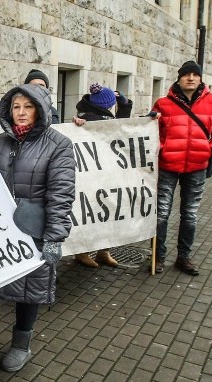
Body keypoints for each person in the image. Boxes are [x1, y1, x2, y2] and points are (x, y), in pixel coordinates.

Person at [0, 83, 76, 372]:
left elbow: (61, 194)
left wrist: (54, 237)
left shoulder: (59, 145)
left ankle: (21, 345)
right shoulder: (2, 142)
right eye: (16, 107)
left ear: (41, 110)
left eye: (28, 107)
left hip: (32, 229)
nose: (21, 113)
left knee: (28, 287)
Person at [150, 60, 212, 275]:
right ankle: (158, 257)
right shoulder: (163, 103)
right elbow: (150, 132)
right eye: (187, 74)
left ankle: (183, 257)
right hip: (167, 166)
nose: (191, 78)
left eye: (195, 74)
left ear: (200, 78)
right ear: (179, 77)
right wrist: (163, 148)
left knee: (190, 214)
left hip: (197, 167)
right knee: (161, 214)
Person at [71, 83, 133, 268]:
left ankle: (102, 251)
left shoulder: (103, 115)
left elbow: (122, 125)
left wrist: (123, 100)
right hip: (93, 178)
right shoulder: (89, 117)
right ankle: (82, 252)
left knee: (106, 214)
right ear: (106, 105)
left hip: (107, 174)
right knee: (93, 214)